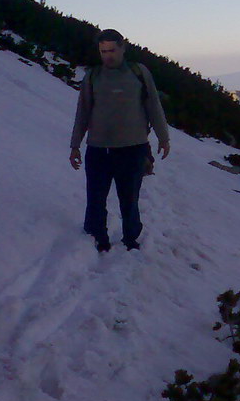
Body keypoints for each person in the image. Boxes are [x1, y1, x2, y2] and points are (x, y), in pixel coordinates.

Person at [69, 29, 170, 252]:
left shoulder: (138, 72)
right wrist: (75, 145)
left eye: (112, 50)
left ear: (123, 47)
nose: (108, 56)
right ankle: (97, 238)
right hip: (98, 149)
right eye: (103, 51)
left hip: (133, 149)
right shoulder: (93, 76)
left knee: (130, 199)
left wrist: (164, 137)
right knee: (95, 199)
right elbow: (82, 112)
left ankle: (130, 239)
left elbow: (153, 105)